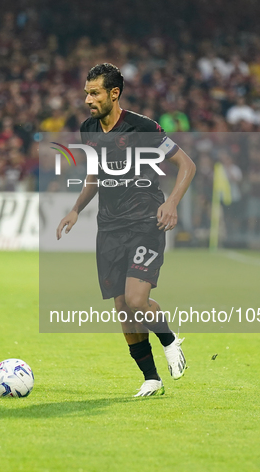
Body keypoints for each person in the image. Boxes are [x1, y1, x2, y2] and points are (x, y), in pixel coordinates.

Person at [56, 64, 196, 398]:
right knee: (122, 306)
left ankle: (169, 339)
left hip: (146, 223)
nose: (88, 99)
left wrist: (172, 202)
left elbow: (187, 165)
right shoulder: (88, 129)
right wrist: (76, 209)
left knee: (136, 300)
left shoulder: (142, 127)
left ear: (114, 94)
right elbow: (95, 175)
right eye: (87, 92)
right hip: (110, 229)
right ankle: (152, 378)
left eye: (95, 93)